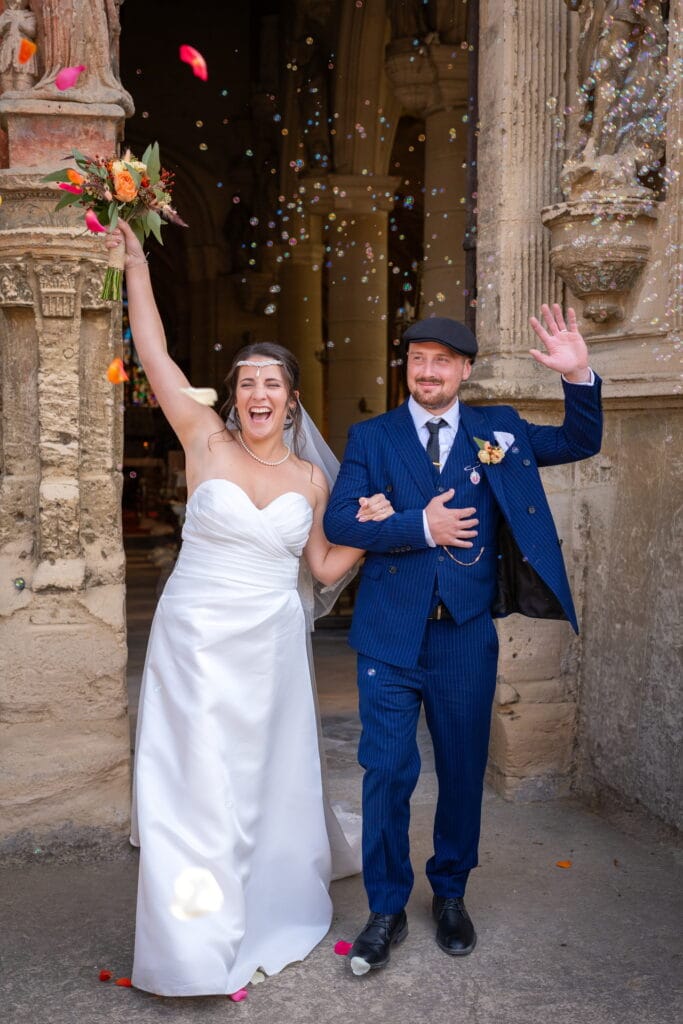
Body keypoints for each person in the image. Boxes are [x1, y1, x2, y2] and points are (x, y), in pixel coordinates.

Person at [107, 219, 393, 998]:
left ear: (291, 400)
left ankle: (260, 894)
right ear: (231, 396)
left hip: (269, 645)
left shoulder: (311, 480)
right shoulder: (202, 439)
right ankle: (190, 940)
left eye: (271, 383)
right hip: (195, 636)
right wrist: (137, 265)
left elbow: (326, 566)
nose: (257, 393)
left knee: (255, 777)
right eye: (246, 382)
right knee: (193, 780)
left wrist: (370, 532)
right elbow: (156, 354)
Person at [323, 307, 602, 975]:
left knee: (459, 772)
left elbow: (577, 441)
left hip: (464, 637)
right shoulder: (373, 437)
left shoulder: (496, 430)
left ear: (464, 370)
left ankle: (450, 893)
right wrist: (419, 526)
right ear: (407, 366)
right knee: (386, 772)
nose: (428, 369)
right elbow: (339, 518)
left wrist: (579, 374)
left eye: (442, 360)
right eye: (418, 358)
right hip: (389, 638)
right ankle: (385, 907)